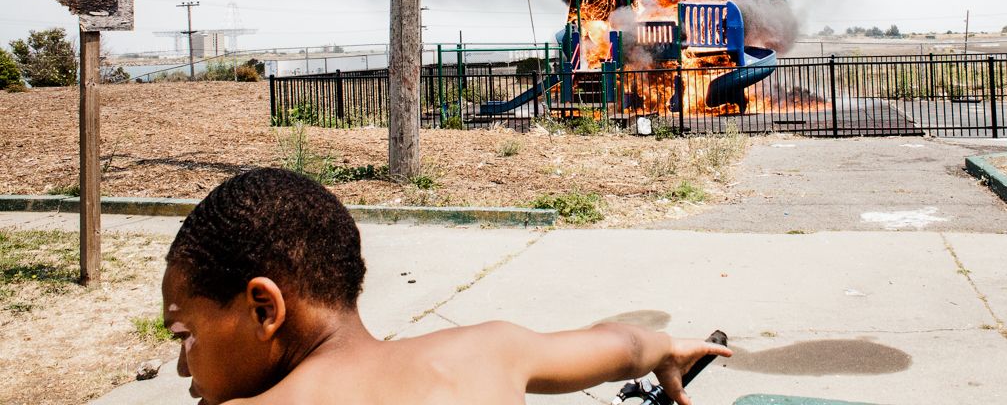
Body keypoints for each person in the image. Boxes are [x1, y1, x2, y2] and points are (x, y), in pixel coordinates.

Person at [163, 167, 731, 405]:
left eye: (183, 334)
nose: (184, 367)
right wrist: (669, 352)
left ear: (265, 308)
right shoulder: (487, 351)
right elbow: (624, 345)